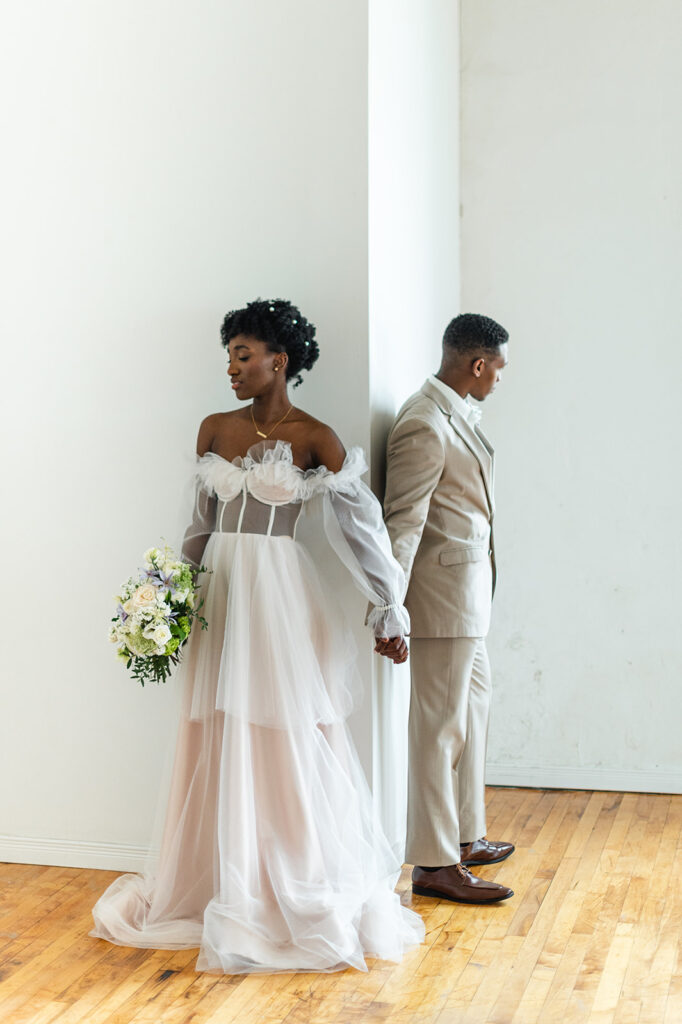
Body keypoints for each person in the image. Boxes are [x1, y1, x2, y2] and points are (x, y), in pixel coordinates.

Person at [91, 298, 423, 972]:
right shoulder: (213, 428)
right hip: (222, 592)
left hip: (279, 598)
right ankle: (220, 880)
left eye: (244, 355)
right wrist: (168, 602)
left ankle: (285, 880)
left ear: (281, 358)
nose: (232, 368)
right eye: (230, 356)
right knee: (215, 729)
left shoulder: (316, 439)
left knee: (284, 730)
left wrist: (389, 605)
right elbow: (197, 527)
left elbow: (362, 531)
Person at [383, 313, 514, 904]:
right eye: (499, 369)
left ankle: (464, 837)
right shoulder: (423, 422)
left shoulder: (454, 413)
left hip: (468, 599)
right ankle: (434, 864)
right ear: (477, 364)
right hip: (439, 600)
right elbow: (403, 522)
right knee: (438, 731)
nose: (499, 381)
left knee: (472, 717)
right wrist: (389, 606)